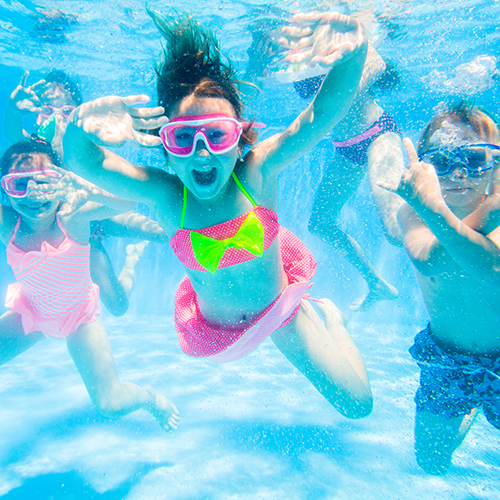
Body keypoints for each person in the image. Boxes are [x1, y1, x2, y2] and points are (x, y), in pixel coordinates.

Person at [62, 11, 373, 418]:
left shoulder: (258, 171)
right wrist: (77, 127)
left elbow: (319, 116)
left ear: (240, 137)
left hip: (279, 311)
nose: (202, 151)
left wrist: (355, 52)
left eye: (217, 134)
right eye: (184, 137)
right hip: (219, 328)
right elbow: (82, 160)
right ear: (166, 147)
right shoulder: (166, 195)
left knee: (357, 406)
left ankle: (330, 317)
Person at [0, 139, 179, 431]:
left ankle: (149, 398)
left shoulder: (73, 218)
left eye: (45, 183)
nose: (33, 194)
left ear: (62, 184)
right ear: (5, 188)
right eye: (18, 184)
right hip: (29, 312)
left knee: (111, 405)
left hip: (78, 319)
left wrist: (81, 189)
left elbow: (125, 202)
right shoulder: (8, 223)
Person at [380, 102, 500, 474]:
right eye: (443, 162)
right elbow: (427, 260)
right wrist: (434, 208)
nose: (460, 173)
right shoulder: (414, 211)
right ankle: (468, 416)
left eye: (476, 159)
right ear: (425, 170)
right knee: (431, 463)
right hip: (447, 359)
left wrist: (438, 212)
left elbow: (490, 267)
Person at [2, 69, 165, 317]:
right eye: (47, 111)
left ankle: (133, 259)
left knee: (164, 234)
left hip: (100, 213)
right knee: (118, 307)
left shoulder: (84, 146)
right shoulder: (31, 152)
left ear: (79, 115)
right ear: (37, 116)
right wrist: (13, 111)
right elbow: (11, 140)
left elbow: (120, 198)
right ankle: (129, 260)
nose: (57, 121)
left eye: (66, 112)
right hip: (72, 232)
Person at [293, 45, 405, 311]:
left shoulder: (350, 43)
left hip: (377, 132)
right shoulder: (299, 56)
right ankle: (377, 284)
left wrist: (342, 90)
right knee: (319, 223)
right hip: (347, 149)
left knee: (395, 230)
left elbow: (376, 62)